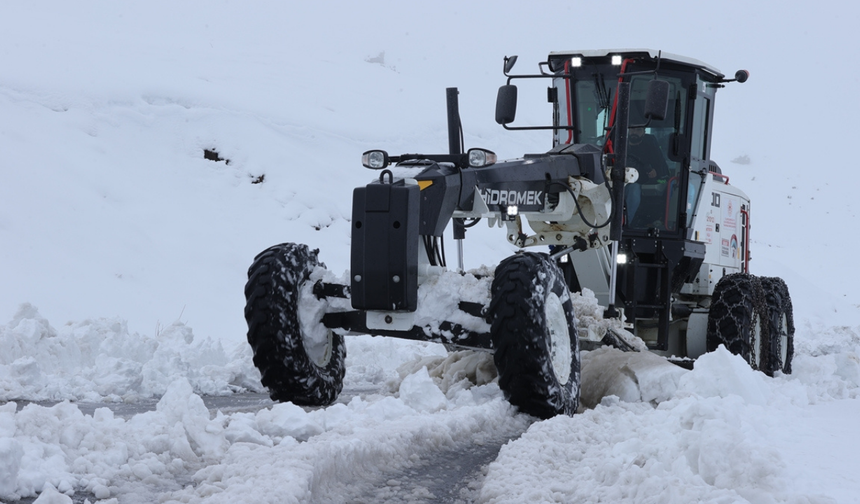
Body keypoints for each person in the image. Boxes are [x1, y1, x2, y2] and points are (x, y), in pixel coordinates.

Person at [624, 127, 669, 225]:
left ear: (644, 133)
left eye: (638, 130)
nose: (634, 132)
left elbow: (662, 172)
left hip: (637, 184)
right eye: (632, 129)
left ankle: (625, 224)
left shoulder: (651, 149)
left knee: (634, 190)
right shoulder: (620, 146)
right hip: (616, 180)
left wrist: (655, 173)